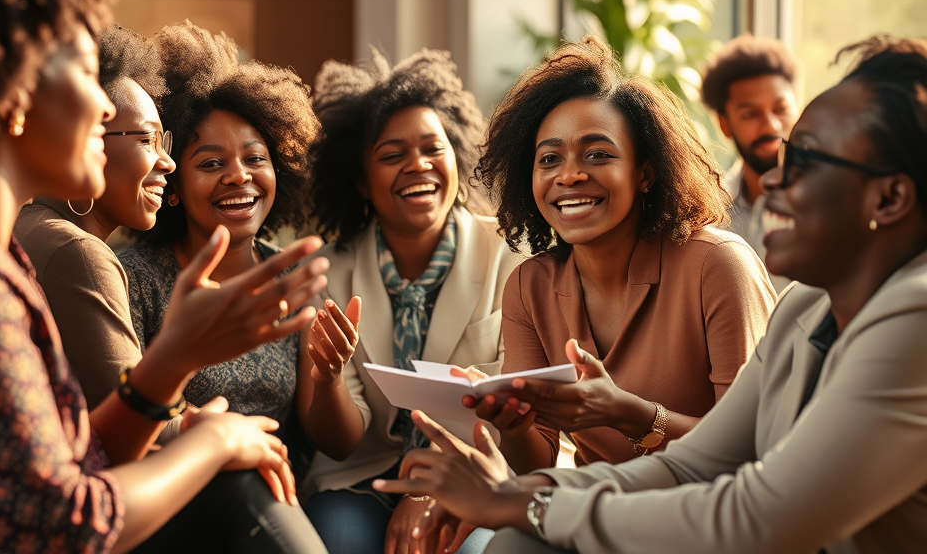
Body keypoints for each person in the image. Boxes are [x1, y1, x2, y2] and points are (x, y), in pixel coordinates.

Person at [0, 0, 331, 553]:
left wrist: (173, 360)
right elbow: (56, 526)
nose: (105, 110)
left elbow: (64, 462)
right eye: (82, 71)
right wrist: (213, 440)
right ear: (11, 77)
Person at [375, 34, 927, 554]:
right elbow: (694, 463)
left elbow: (753, 514)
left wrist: (534, 502)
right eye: (550, 158)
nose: (775, 181)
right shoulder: (805, 305)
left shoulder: (913, 318)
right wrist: (515, 493)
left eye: (807, 161)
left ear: (890, 199)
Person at [469, 39, 776, 476]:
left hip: (711, 517)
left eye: (597, 154)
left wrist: (631, 414)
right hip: (602, 511)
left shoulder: (718, 266)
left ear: (645, 173)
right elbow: (535, 462)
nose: (570, 174)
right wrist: (513, 427)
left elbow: (751, 445)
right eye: (550, 159)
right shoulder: (529, 288)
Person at [300, 49, 523, 554]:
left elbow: (518, 418)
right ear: (360, 180)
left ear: (457, 156)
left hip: (477, 471)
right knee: (336, 543)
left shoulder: (510, 259)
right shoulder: (328, 274)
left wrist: (433, 488)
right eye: (392, 154)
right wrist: (327, 377)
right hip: (361, 477)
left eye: (432, 148)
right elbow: (341, 441)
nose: (417, 165)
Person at [119, 20, 348, 473]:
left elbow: (337, 444)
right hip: (178, 492)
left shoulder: (291, 277)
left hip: (274, 490)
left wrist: (328, 378)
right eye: (211, 163)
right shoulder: (135, 277)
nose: (239, 176)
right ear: (174, 185)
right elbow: (127, 424)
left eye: (255, 158)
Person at [14, 24, 174, 411]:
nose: (167, 162)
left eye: (164, 140)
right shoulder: (79, 253)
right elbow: (134, 426)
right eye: (146, 139)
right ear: (87, 136)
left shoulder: (27, 226)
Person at [701, 34, 802, 290]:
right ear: (724, 125)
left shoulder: (833, 204)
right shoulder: (708, 213)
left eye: (781, 109)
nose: (770, 125)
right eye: (750, 114)